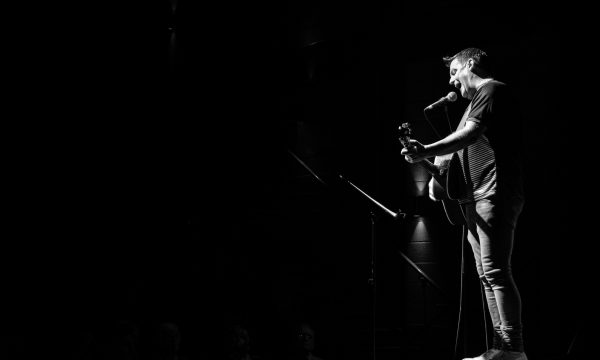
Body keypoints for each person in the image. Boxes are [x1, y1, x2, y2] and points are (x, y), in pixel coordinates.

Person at [400, 47, 527, 360]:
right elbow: (448, 166)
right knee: (486, 275)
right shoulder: (471, 107)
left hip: (494, 192)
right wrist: (425, 160)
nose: (453, 81)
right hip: (474, 198)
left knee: (496, 271)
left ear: (471, 64)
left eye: (454, 71)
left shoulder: (490, 89)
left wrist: (425, 148)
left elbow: (470, 136)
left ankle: (514, 348)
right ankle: (501, 347)